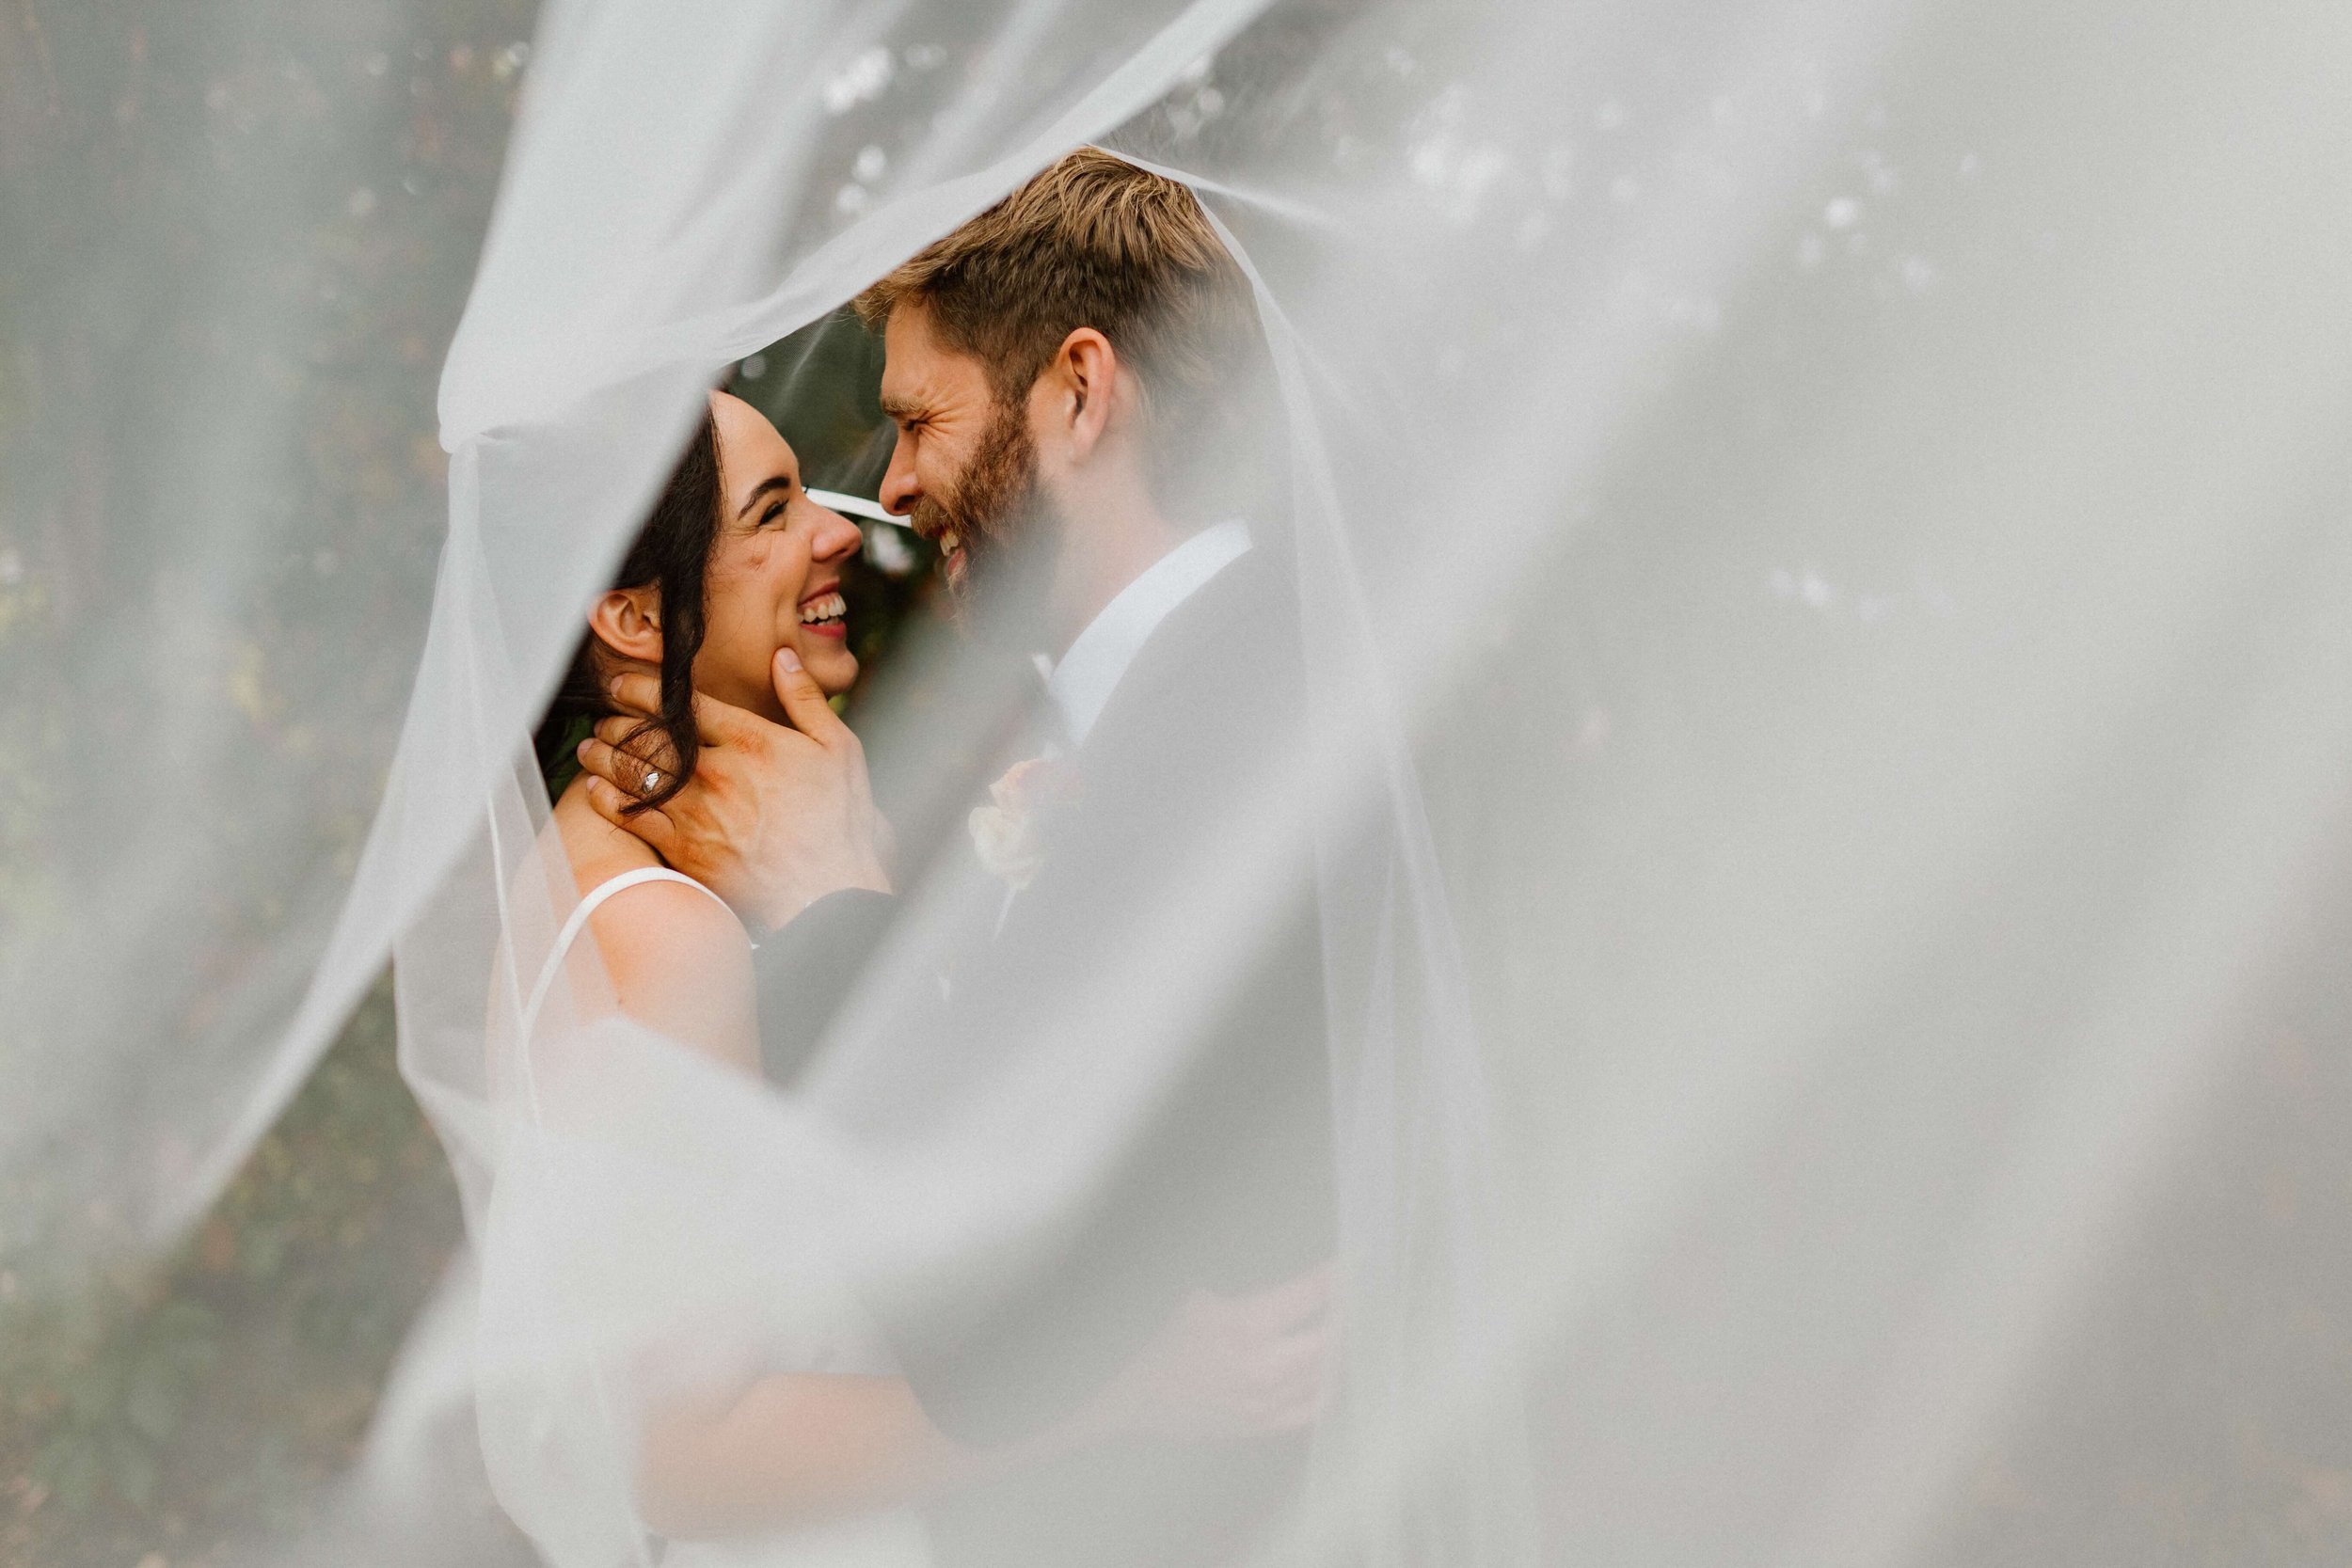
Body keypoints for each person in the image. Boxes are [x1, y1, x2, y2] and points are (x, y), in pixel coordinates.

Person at [577, 150, 1337, 1567]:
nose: (891, 493)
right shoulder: (1151, 702)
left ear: (1080, 394)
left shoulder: (1251, 711)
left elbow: (1000, 1286)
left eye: (920, 421)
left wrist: (828, 897)